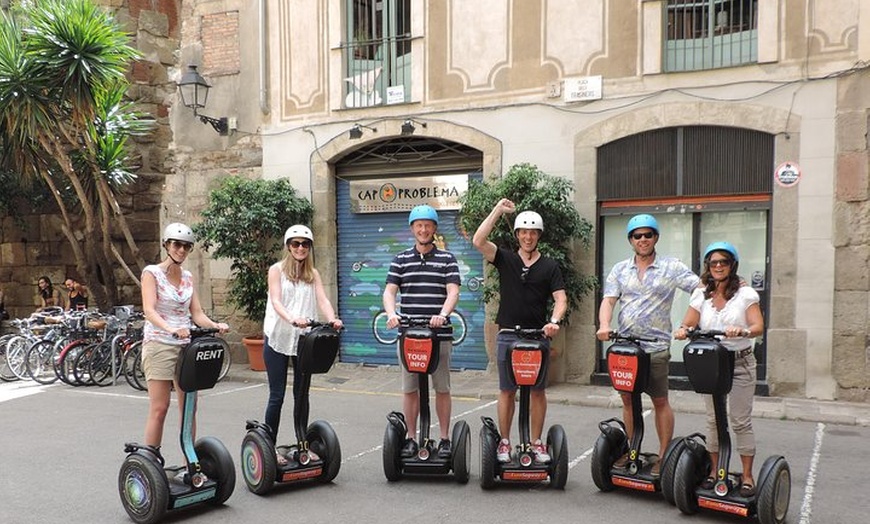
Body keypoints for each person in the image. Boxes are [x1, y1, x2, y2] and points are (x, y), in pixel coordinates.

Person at [596, 213, 700, 476]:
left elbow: (701, 290)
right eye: (637, 236)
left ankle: (663, 456)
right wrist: (604, 325)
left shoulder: (671, 267)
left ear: (656, 238)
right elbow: (609, 300)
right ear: (630, 240)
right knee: (628, 401)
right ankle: (632, 450)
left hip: (655, 347)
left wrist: (688, 324)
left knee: (660, 400)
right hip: (627, 348)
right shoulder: (620, 269)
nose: (642, 240)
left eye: (647, 235)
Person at [472, 199, 566, 464]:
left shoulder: (550, 266)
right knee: (507, 391)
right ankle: (504, 442)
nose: (528, 236)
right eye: (523, 232)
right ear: (517, 235)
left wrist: (554, 321)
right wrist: (497, 211)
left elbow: (560, 299)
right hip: (508, 335)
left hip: (537, 336)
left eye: (533, 232)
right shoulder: (506, 259)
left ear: (539, 236)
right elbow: (479, 240)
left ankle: (537, 443)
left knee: (538, 391)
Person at [674, 241, 763, 497]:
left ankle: (747, 476)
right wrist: (683, 330)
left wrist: (742, 330)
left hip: (740, 362)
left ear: (732, 265)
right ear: (708, 267)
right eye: (713, 263)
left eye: (723, 262)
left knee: (739, 420)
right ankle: (715, 472)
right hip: (712, 364)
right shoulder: (701, 294)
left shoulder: (746, 295)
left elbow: (758, 326)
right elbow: (688, 322)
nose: (718, 266)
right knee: (714, 420)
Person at [140, 222, 229, 464]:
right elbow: (149, 311)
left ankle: (189, 462)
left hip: (186, 346)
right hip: (159, 344)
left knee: (189, 407)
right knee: (160, 408)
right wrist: (171, 329)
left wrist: (214, 325)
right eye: (177, 244)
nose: (181, 250)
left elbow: (197, 313)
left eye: (186, 246)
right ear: (167, 245)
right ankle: (151, 461)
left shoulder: (188, 277)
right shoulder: (152, 273)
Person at [383, 204, 460, 459]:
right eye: (419, 225)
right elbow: (390, 292)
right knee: (410, 389)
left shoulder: (447, 259)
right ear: (412, 229)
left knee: (442, 388)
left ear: (434, 229)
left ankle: (446, 438)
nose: (423, 230)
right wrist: (392, 314)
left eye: (428, 225)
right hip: (409, 335)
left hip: (439, 335)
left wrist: (443, 315)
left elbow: (453, 291)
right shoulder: (401, 259)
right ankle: (411, 438)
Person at [262, 225, 343, 465]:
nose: (300, 248)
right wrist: (291, 319)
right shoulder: (276, 270)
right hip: (277, 337)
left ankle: (302, 444)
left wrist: (333, 319)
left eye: (305, 244)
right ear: (288, 246)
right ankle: (270, 446)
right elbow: (276, 301)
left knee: (302, 394)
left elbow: (323, 299)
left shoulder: (313, 274)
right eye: (296, 244)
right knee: (277, 395)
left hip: (303, 341)